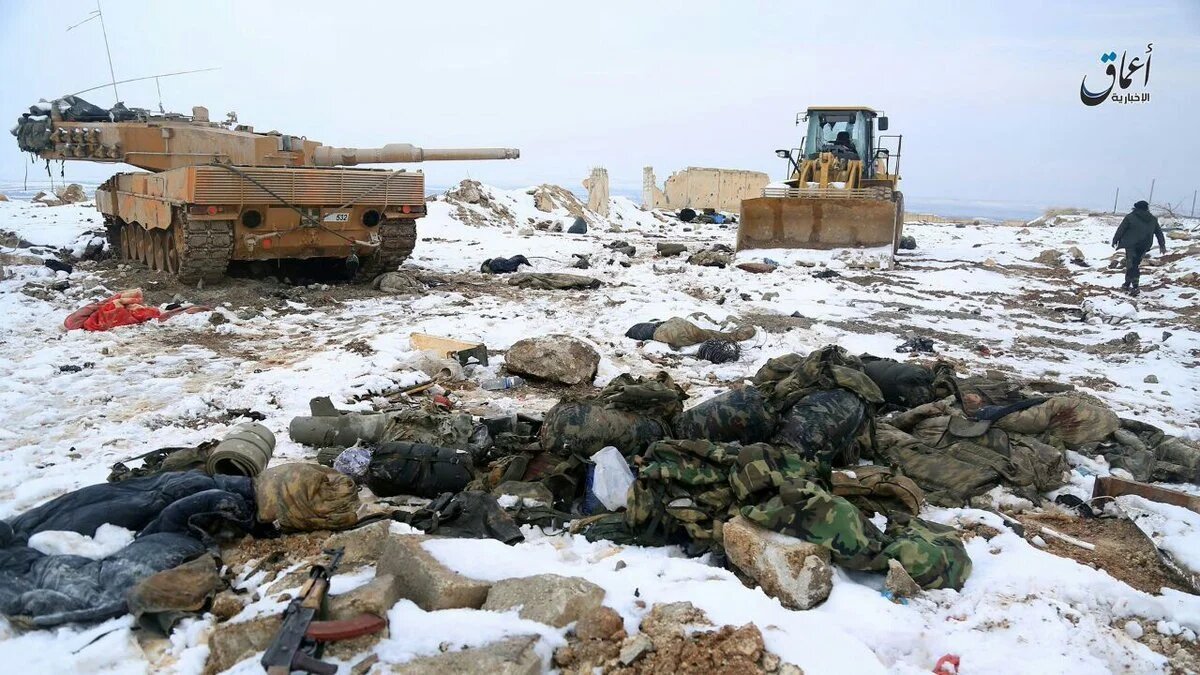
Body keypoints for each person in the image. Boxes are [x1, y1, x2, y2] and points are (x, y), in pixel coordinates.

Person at [1111, 200, 1165, 295]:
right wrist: (1162, 244)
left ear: (1136, 207)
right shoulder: (1153, 219)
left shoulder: (1130, 217)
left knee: (1132, 265)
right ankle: (1127, 284)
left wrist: (1115, 240)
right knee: (1134, 263)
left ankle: (1135, 286)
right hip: (1145, 245)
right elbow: (1159, 233)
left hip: (1131, 245)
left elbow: (1121, 229)